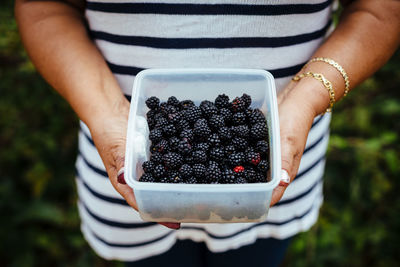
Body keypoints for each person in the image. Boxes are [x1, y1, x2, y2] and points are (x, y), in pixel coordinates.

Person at [15, 0, 400, 266]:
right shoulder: (171, 145)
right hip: (131, 169)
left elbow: (381, 10)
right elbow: (45, 7)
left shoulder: (239, 147)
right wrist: (106, 115)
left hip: (275, 172)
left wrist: (309, 96)